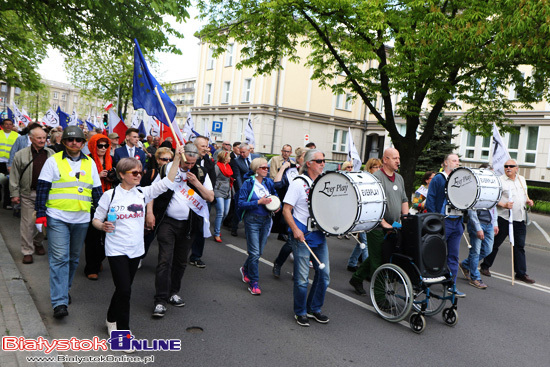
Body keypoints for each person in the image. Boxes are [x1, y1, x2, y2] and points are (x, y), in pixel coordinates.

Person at [92, 151, 182, 343]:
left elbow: (168, 181)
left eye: (140, 172)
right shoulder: (110, 195)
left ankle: (110, 319)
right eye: (134, 173)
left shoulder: (143, 193)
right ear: (122, 174)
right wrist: (102, 225)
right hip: (116, 250)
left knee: (123, 289)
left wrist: (177, 159)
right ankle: (122, 336)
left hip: (136, 250)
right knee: (125, 291)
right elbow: (96, 220)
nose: (139, 175)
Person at [35, 126, 103, 319]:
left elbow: (97, 192)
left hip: (81, 219)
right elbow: (42, 189)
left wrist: (102, 215)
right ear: (64, 142)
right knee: (59, 259)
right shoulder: (53, 161)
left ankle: (64, 290)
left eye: (78, 140)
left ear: (83, 143)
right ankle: (59, 302)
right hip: (57, 217)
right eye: (70, 140)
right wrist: (40, 214)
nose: (74, 143)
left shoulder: (90, 163)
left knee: (73, 259)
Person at [151, 144, 214, 318]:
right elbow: (152, 192)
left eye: (193, 163)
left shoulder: (200, 173)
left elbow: (210, 197)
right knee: (164, 260)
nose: (190, 166)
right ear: (183, 156)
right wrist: (150, 213)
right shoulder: (168, 169)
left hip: (189, 225)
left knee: (180, 261)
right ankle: (160, 300)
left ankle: (173, 292)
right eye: (188, 163)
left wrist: (195, 183)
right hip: (167, 223)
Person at [349, 148, 408, 296]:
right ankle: (381, 298)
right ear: (385, 160)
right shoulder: (376, 177)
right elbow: (371, 203)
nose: (398, 161)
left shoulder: (399, 178)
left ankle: (357, 278)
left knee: (378, 255)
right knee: (378, 262)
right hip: (376, 226)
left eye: (399, 158)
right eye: (394, 158)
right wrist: (382, 222)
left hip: (393, 226)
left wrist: (406, 219)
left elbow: (404, 200)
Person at [283, 149, 330, 326]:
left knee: (324, 275)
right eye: (319, 161)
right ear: (309, 163)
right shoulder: (298, 183)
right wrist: (294, 229)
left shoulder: (324, 182)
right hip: (302, 233)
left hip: (319, 234)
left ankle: (314, 309)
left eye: (324, 160)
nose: (323, 163)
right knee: (302, 278)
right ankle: (300, 311)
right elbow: (286, 209)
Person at [480, 159, 535, 284]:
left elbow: (524, 196)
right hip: (504, 218)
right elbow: (494, 198)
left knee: (519, 246)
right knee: (495, 243)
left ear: (517, 168)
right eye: (506, 166)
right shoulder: (500, 180)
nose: (508, 168)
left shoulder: (522, 179)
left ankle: (521, 273)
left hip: (519, 218)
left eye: (511, 166)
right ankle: (485, 266)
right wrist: (504, 205)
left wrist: (528, 201)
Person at [9, 124, 54, 264]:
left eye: (44, 138)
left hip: (47, 196)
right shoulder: (20, 154)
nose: (42, 140)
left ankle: (38, 241)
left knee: (45, 223)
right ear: (31, 138)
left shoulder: (52, 154)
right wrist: (14, 194)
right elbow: (14, 176)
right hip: (28, 194)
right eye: (39, 138)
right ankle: (27, 251)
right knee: (27, 224)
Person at [425, 153, 466, 297]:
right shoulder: (438, 179)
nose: (457, 163)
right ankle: (427, 281)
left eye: (458, 161)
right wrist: (436, 220)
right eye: (454, 161)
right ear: (445, 163)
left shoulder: (460, 179)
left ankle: (451, 285)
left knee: (453, 256)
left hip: (456, 222)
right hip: (444, 223)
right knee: (437, 253)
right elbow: (430, 200)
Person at [237, 157, 279, 295]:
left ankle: (245, 268)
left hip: (266, 220)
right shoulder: (248, 184)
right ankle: (254, 282)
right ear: (256, 169)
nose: (266, 170)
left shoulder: (268, 182)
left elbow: (275, 196)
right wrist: (258, 202)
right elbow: (241, 203)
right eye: (263, 168)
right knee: (254, 253)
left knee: (258, 253)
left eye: (267, 167)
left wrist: (277, 206)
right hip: (252, 220)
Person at [459, 164, 498, 289]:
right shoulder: (475, 188)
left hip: (489, 224)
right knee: (475, 252)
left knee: (488, 250)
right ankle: (475, 278)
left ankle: (465, 264)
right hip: (478, 224)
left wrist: (495, 223)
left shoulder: (492, 189)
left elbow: (494, 206)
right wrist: (478, 228)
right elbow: (471, 210)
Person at [272, 147, 308, 277]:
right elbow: (277, 185)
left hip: (305, 211)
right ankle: (278, 263)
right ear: (298, 158)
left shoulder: (311, 172)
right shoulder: (291, 170)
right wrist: (283, 168)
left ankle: (298, 271)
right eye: (305, 156)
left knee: (306, 242)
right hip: (291, 209)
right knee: (292, 242)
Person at [83, 134, 114, 280]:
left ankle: (98, 259)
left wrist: (111, 177)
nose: (103, 148)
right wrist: (97, 176)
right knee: (93, 236)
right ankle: (91, 267)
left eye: (105, 145)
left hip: (110, 201)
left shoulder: (112, 160)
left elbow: (119, 177)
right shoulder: (86, 160)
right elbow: (81, 180)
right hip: (92, 202)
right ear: (93, 146)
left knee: (109, 234)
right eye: (99, 145)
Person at [346, 158, 381, 272]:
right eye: (376, 167)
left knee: (362, 243)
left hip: (371, 214)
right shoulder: (365, 180)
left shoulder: (376, 180)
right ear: (370, 168)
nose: (378, 169)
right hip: (364, 215)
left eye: (379, 167)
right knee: (366, 243)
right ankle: (368, 270)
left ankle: (352, 263)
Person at [188, 136, 217, 268]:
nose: (206, 148)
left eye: (207, 146)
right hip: (187, 198)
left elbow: (212, 180)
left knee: (201, 228)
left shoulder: (209, 162)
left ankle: (196, 256)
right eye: (203, 146)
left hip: (203, 200)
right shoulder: (187, 160)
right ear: (195, 146)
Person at [230, 143, 260, 236]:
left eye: (243, 152)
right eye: (240, 152)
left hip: (256, 187)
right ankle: (234, 227)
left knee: (252, 209)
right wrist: (242, 190)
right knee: (239, 209)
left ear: (249, 151)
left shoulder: (256, 157)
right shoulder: (237, 161)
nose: (241, 154)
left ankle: (249, 231)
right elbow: (238, 176)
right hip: (243, 187)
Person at [213, 150, 233, 243]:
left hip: (227, 192)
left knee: (225, 213)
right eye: (229, 156)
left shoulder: (228, 166)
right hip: (218, 191)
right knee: (220, 212)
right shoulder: (217, 167)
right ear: (224, 158)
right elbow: (213, 179)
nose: (230, 158)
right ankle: (217, 233)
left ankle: (218, 227)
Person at [1, 118, 20, 209]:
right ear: (3, 125)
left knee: (9, 183)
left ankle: (7, 203)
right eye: (6, 124)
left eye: (10, 124)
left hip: (10, 162)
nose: (8, 126)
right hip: (0, 161)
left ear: (12, 126)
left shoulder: (17, 136)